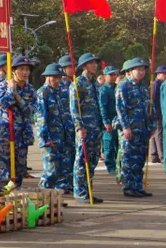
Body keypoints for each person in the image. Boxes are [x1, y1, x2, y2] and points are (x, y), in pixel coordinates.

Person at [0, 55, 36, 193]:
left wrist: (17, 96)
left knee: (19, 167)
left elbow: (30, 110)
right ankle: (0, 194)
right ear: (14, 70)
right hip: (6, 133)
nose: (25, 72)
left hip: (22, 133)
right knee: (2, 166)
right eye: (22, 69)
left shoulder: (30, 89)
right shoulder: (3, 86)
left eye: (27, 70)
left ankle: (15, 194)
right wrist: (11, 90)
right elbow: (3, 104)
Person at [70, 52, 105, 203]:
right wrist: (79, 127)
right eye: (91, 63)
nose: (94, 65)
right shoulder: (77, 83)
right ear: (84, 66)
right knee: (81, 160)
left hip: (95, 128)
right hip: (84, 128)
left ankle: (89, 190)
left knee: (92, 160)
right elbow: (74, 108)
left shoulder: (95, 83)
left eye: (95, 63)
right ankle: (80, 192)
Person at [115, 58, 153, 198]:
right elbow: (120, 108)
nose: (141, 72)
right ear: (129, 72)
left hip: (142, 129)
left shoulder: (143, 87)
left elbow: (149, 107)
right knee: (128, 159)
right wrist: (125, 127)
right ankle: (128, 187)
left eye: (143, 69)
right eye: (138, 69)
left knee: (139, 159)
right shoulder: (123, 86)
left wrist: (152, 124)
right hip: (130, 129)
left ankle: (138, 186)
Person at [36, 62, 72, 194]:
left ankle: (56, 197)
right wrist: (45, 138)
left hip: (61, 137)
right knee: (51, 170)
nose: (57, 80)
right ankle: (41, 195)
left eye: (59, 78)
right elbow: (41, 118)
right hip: (49, 138)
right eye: (54, 77)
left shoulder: (57, 92)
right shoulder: (42, 92)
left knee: (61, 169)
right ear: (47, 77)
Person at [98, 65, 119, 175]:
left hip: (118, 120)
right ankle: (110, 166)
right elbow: (103, 107)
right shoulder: (103, 90)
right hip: (109, 121)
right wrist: (106, 122)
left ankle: (117, 165)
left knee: (118, 144)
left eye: (114, 74)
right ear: (105, 76)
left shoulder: (118, 87)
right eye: (110, 75)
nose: (113, 77)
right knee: (109, 144)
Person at [150, 66, 166, 164]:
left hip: (157, 111)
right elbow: (153, 100)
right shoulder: (156, 85)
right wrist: (156, 112)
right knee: (159, 134)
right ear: (158, 74)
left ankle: (154, 155)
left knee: (155, 134)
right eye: (164, 73)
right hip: (157, 112)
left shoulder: (160, 84)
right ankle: (162, 156)